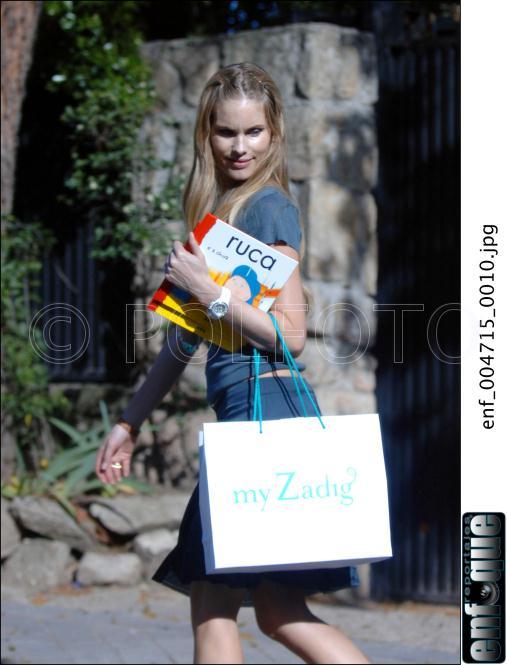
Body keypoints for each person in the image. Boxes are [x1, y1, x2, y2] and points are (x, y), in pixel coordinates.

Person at [96, 62, 370, 665]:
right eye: (226, 132)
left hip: (262, 415)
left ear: (274, 134)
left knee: (214, 606)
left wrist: (208, 289)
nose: (240, 146)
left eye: (253, 132)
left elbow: (291, 334)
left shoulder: (268, 208)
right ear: (207, 134)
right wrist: (129, 422)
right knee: (278, 612)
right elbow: (182, 342)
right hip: (251, 418)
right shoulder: (220, 215)